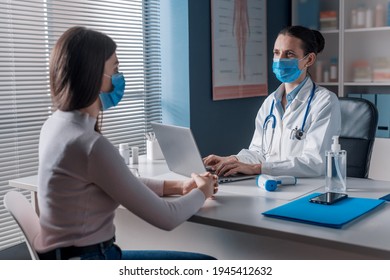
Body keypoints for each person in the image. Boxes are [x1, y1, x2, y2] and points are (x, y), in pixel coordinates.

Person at [35, 26, 218, 260]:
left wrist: (179, 187)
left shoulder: (54, 124)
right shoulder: (89, 145)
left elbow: (116, 179)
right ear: (93, 76)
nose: (120, 78)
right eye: (116, 69)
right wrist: (203, 191)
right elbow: (168, 217)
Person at [204, 25, 341, 178]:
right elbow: (258, 152)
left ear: (309, 59)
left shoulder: (324, 101)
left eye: (289, 54)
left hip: (307, 189)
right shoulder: (270, 103)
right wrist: (232, 160)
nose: (280, 60)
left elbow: (315, 163)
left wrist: (259, 168)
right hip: (272, 185)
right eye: (276, 53)